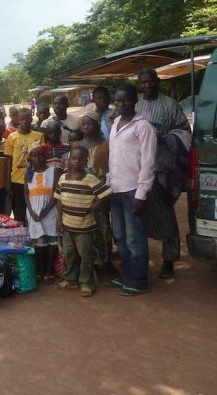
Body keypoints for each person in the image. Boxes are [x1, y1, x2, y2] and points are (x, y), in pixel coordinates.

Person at [136, 67, 191, 278]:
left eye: (151, 81)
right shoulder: (135, 104)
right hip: (137, 170)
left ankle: (169, 260)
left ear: (157, 82)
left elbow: (185, 132)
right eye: (143, 82)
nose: (147, 85)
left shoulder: (170, 104)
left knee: (166, 217)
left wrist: (165, 138)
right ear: (138, 85)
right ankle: (139, 260)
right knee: (137, 216)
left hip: (161, 170)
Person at [107, 83, 157, 296]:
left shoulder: (143, 126)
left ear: (135, 100)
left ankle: (139, 280)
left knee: (134, 238)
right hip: (116, 188)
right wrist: (109, 183)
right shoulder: (116, 122)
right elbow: (113, 157)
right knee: (119, 235)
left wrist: (141, 194)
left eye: (125, 100)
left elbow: (148, 162)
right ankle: (127, 275)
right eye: (118, 101)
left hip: (133, 190)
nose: (121, 104)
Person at [54, 146, 112, 297]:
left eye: (80, 159)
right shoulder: (62, 178)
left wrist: (93, 207)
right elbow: (59, 200)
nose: (76, 161)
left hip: (84, 227)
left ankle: (86, 282)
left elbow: (105, 195)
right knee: (68, 253)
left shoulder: (90, 179)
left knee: (85, 255)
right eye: (74, 158)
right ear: (68, 160)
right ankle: (70, 279)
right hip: (67, 225)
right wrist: (59, 220)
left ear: (86, 161)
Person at [79, 111, 114, 275]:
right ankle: (90, 262)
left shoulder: (106, 145)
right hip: (82, 195)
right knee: (86, 230)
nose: (85, 127)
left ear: (97, 125)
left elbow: (110, 169)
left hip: (101, 194)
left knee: (103, 228)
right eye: (83, 124)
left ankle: (106, 260)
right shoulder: (77, 146)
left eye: (89, 124)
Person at [24, 144, 59, 284]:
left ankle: (49, 271)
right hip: (34, 213)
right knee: (39, 244)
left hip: (50, 211)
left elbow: (56, 194)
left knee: (52, 243)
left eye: (40, 155)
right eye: (33, 155)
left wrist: (46, 210)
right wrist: (31, 211)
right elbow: (26, 195)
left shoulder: (54, 171)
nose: (37, 158)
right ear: (30, 158)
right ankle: (40, 270)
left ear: (45, 157)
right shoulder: (28, 174)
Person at [4, 108, 43, 223]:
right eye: (21, 119)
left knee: (33, 207)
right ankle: (21, 233)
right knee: (19, 209)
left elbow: (41, 157)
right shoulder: (12, 137)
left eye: (27, 119)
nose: (24, 122)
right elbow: (9, 160)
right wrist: (8, 182)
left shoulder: (38, 136)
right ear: (17, 120)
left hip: (33, 179)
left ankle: (33, 234)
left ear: (31, 119)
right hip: (17, 179)